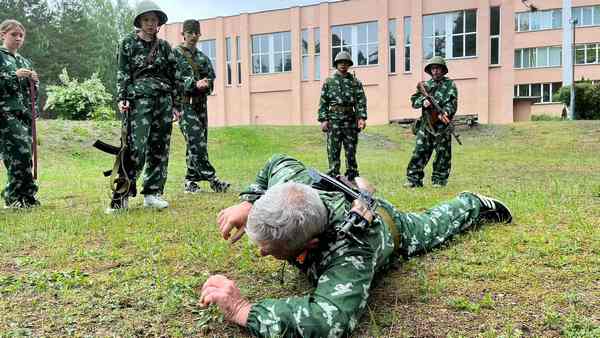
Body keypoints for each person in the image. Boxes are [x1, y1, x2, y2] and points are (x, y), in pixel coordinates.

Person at [200, 154, 513, 338]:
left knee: (433, 225)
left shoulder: (350, 252)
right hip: (339, 197)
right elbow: (276, 160)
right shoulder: (288, 179)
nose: (261, 252)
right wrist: (249, 202)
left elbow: (330, 319)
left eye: (270, 249)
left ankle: (472, 203)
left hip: (390, 227)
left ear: (310, 243)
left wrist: (245, 311)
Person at [106, 1, 204, 213]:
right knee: (134, 149)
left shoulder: (164, 47)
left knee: (160, 148)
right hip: (139, 101)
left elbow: (175, 75)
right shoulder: (127, 43)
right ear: (140, 22)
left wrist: (177, 104)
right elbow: (123, 72)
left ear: (159, 23)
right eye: (147, 20)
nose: (151, 24)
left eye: (154, 20)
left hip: (163, 102)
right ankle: (120, 197)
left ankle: (152, 193)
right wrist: (122, 97)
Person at [173, 19, 229, 194]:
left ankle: (190, 181)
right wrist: (193, 84)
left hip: (200, 105)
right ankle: (213, 180)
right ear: (183, 34)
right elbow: (172, 80)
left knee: (197, 143)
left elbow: (211, 78)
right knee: (196, 141)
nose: (193, 36)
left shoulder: (203, 58)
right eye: (190, 33)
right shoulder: (174, 54)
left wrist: (207, 83)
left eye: (196, 33)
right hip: (184, 105)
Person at [0, 19, 39, 208]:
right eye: (13, 34)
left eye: (21, 35)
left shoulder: (25, 61)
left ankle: (27, 197)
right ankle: (13, 196)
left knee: (26, 155)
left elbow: (32, 93)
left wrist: (34, 81)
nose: (18, 38)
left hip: (25, 114)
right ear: (2, 35)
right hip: (6, 114)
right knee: (18, 154)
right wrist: (14, 75)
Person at [405, 56, 458, 188]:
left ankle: (439, 180)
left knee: (443, 154)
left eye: (438, 68)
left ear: (443, 70)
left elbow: (453, 103)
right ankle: (413, 179)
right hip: (426, 125)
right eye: (433, 69)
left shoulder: (450, 85)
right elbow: (414, 101)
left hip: (442, 127)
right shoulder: (426, 85)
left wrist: (446, 112)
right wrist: (423, 102)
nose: (435, 71)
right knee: (419, 152)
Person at [317, 51, 367, 181]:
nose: (343, 65)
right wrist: (323, 120)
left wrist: (361, 118)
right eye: (340, 63)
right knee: (333, 149)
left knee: (351, 150)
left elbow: (361, 101)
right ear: (336, 64)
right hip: (334, 121)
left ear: (349, 65)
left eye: (345, 63)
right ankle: (334, 174)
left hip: (350, 120)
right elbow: (323, 102)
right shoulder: (329, 82)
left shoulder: (355, 82)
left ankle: (352, 174)